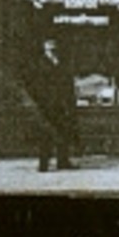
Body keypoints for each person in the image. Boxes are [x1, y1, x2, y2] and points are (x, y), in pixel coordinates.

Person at [29, 38, 78, 172]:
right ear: (45, 50)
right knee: (46, 134)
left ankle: (63, 161)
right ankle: (43, 163)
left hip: (61, 105)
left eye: (55, 49)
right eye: (50, 49)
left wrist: (69, 101)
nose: (53, 52)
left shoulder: (61, 63)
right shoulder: (40, 64)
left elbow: (67, 84)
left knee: (62, 133)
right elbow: (37, 86)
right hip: (47, 105)